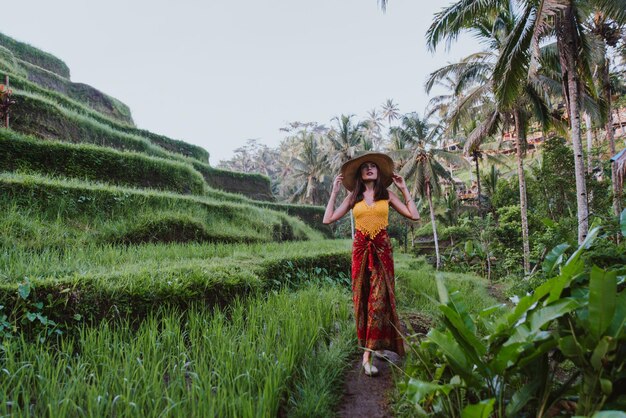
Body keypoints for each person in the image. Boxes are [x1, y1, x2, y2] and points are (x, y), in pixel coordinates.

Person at [322, 152, 420, 376]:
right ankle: (373, 346)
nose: (369, 169)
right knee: (362, 299)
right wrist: (335, 192)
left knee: (378, 299)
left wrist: (404, 188)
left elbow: (413, 215)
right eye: (364, 166)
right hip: (360, 251)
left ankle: (367, 355)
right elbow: (328, 219)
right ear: (360, 173)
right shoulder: (353, 197)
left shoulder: (386, 194)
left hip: (382, 251)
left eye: (373, 166)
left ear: (378, 173)